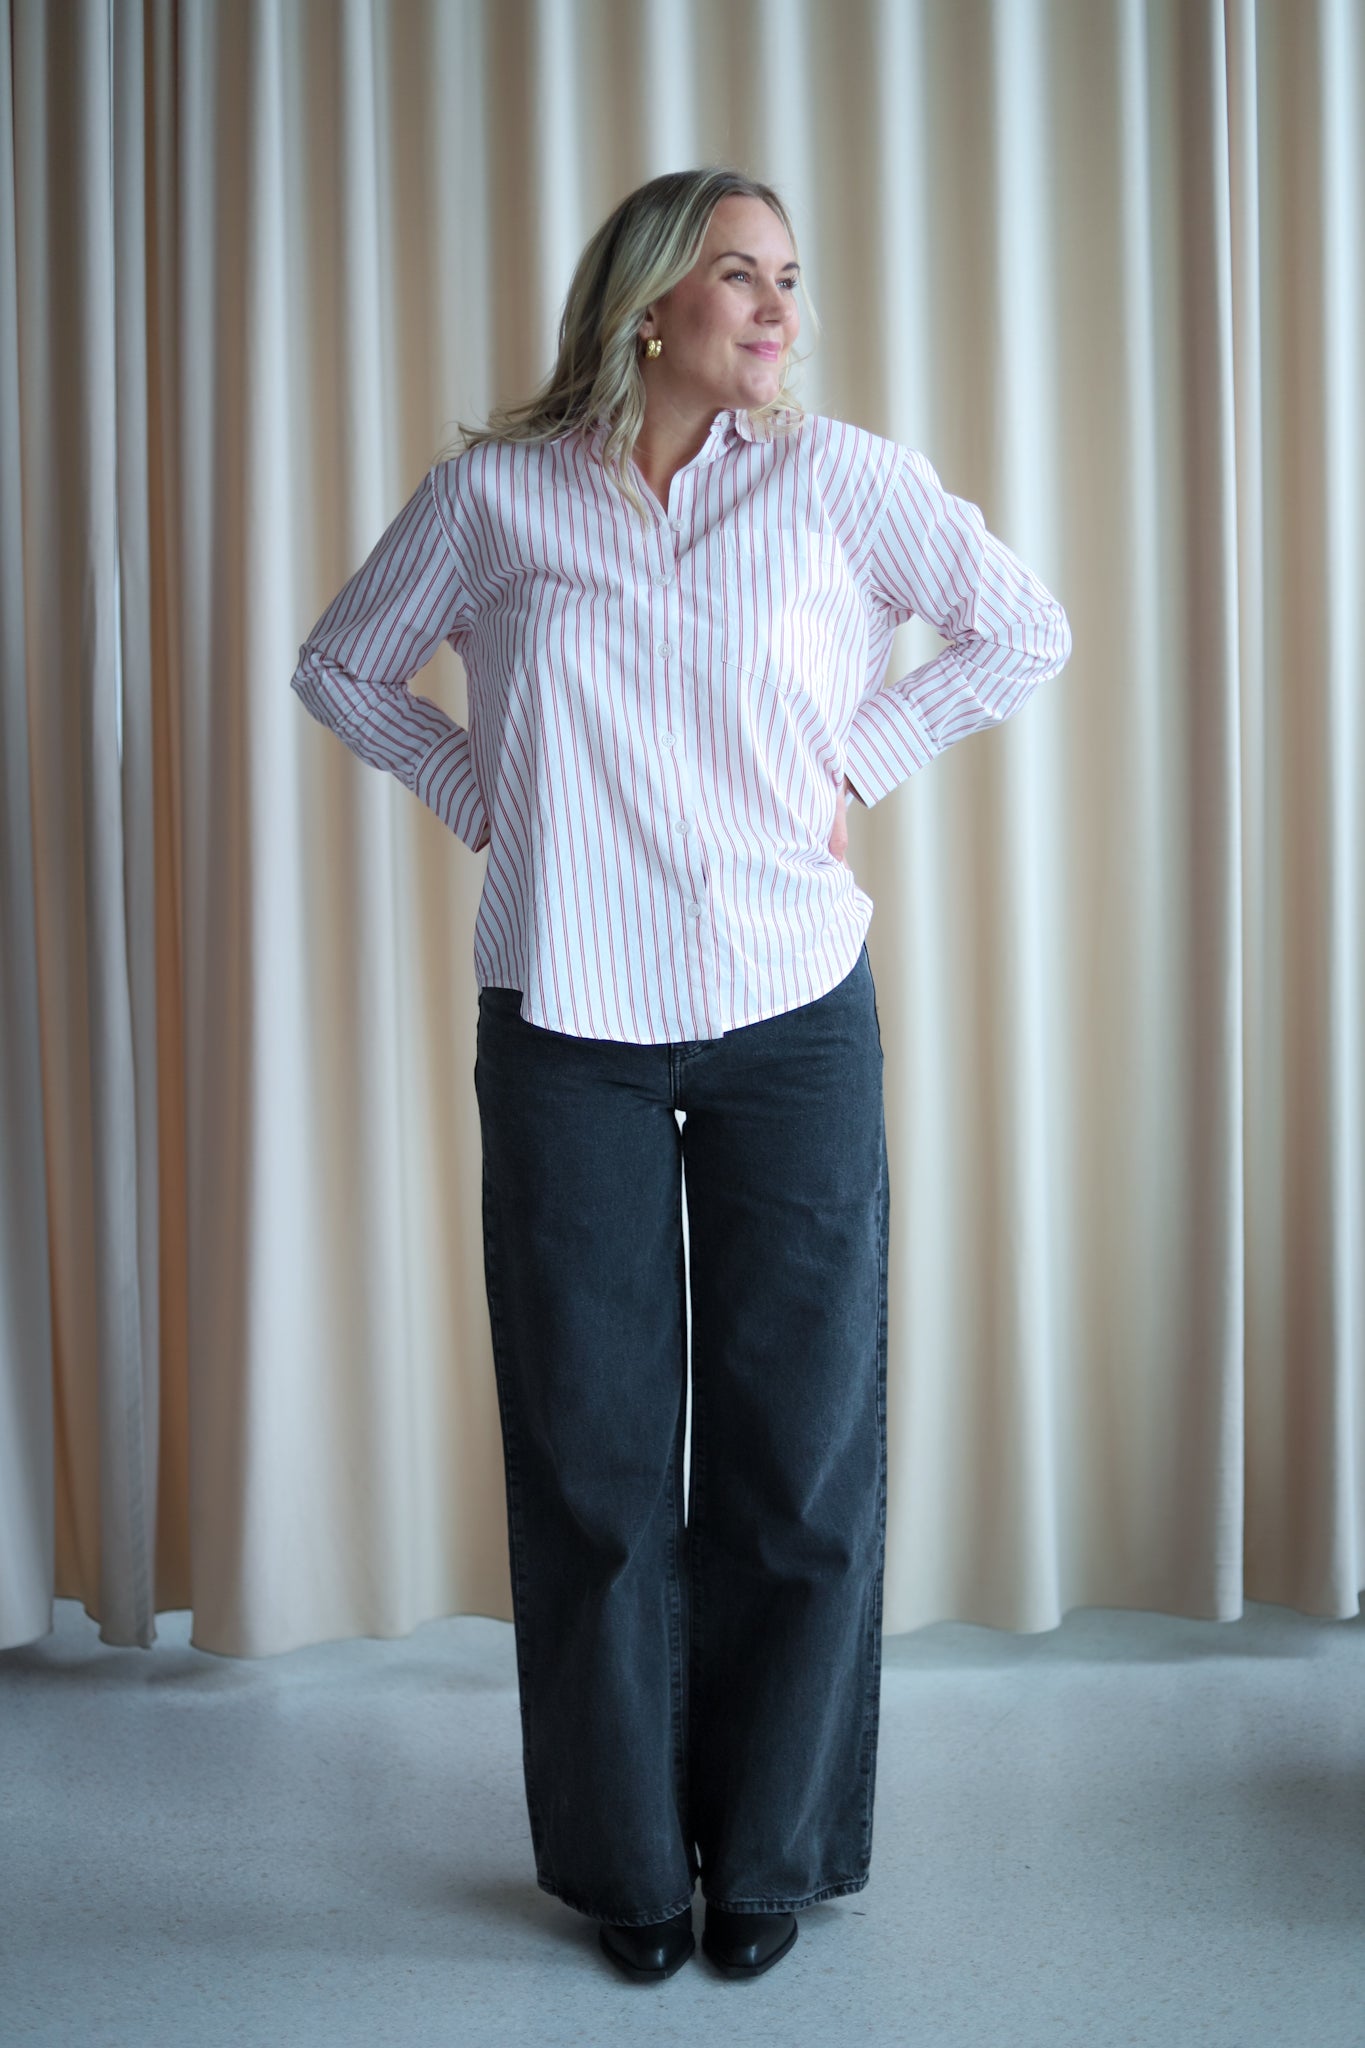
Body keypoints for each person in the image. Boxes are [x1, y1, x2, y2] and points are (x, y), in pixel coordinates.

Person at [290, 165, 1072, 1984]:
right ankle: (629, 1869)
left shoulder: (841, 480)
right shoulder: (493, 497)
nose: (779, 308)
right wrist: (490, 796)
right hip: (563, 1022)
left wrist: (859, 758)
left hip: (789, 1011)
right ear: (649, 302)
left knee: (799, 1457)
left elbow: (1018, 629)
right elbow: (340, 667)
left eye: (788, 276)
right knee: (594, 1463)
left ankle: (775, 1850)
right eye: (740, 274)